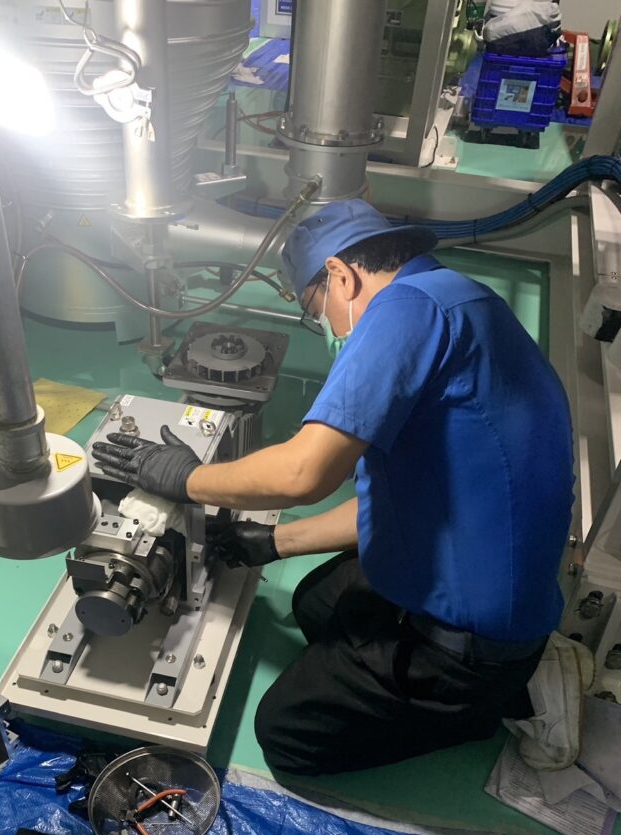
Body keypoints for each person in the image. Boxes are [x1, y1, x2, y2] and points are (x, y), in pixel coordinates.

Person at [99, 199, 575, 777]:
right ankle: (456, 684)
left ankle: (470, 714)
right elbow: (405, 495)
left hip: (473, 648)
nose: (326, 326)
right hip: (499, 583)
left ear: (340, 276)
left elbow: (303, 473)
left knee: (286, 734)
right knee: (314, 602)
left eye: (314, 309)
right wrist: (272, 543)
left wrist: (183, 477)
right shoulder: (461, 298)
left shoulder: (403, 310)